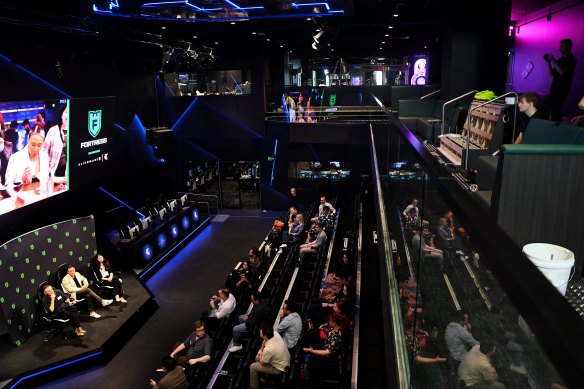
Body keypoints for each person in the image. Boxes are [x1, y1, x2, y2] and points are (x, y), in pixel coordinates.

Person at [302, 312, 346, 386]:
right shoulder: (334, 327)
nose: (329, 321)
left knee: (312, 361)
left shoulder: (337, 336)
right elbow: (329, 333)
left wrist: (313, 351)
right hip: (327, 346)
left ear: (334, 322)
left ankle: (309, 379)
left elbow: (328, 352)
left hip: (330, 358)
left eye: (330, 320)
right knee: (315, 346)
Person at [544, 38, 577, 122]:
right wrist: (548, 62)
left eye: (562, 46)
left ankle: (557, 127)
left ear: (569, 46)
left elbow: (562, 72)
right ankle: (555, 126)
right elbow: (552, 74)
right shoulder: (560, 59)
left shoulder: (571, 59)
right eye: (560, 46)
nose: (560, 48)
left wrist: (553, 60)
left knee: (556, 110)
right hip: (555, 87)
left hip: (562, 88)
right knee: (553, 109)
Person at [249, 324, 290, 389]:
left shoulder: (268, 350)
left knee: (253, 366)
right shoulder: (274, 333)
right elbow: (265, 340)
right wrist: (261, 349)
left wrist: (260, 353)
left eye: (261, 332)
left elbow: (262, 363)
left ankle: (253, 387)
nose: (260, 331)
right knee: (257, 358)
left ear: (265, 335)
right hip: (284, 359)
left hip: (279, 368)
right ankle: (265, 377)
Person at [42, 103, 68, 181]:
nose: (68, 115)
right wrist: (46, 174)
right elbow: (44, 152)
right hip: (53, 176)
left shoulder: (77, 132)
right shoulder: (53, 130)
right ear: (61, 114)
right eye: (66, 112)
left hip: (68, 177)